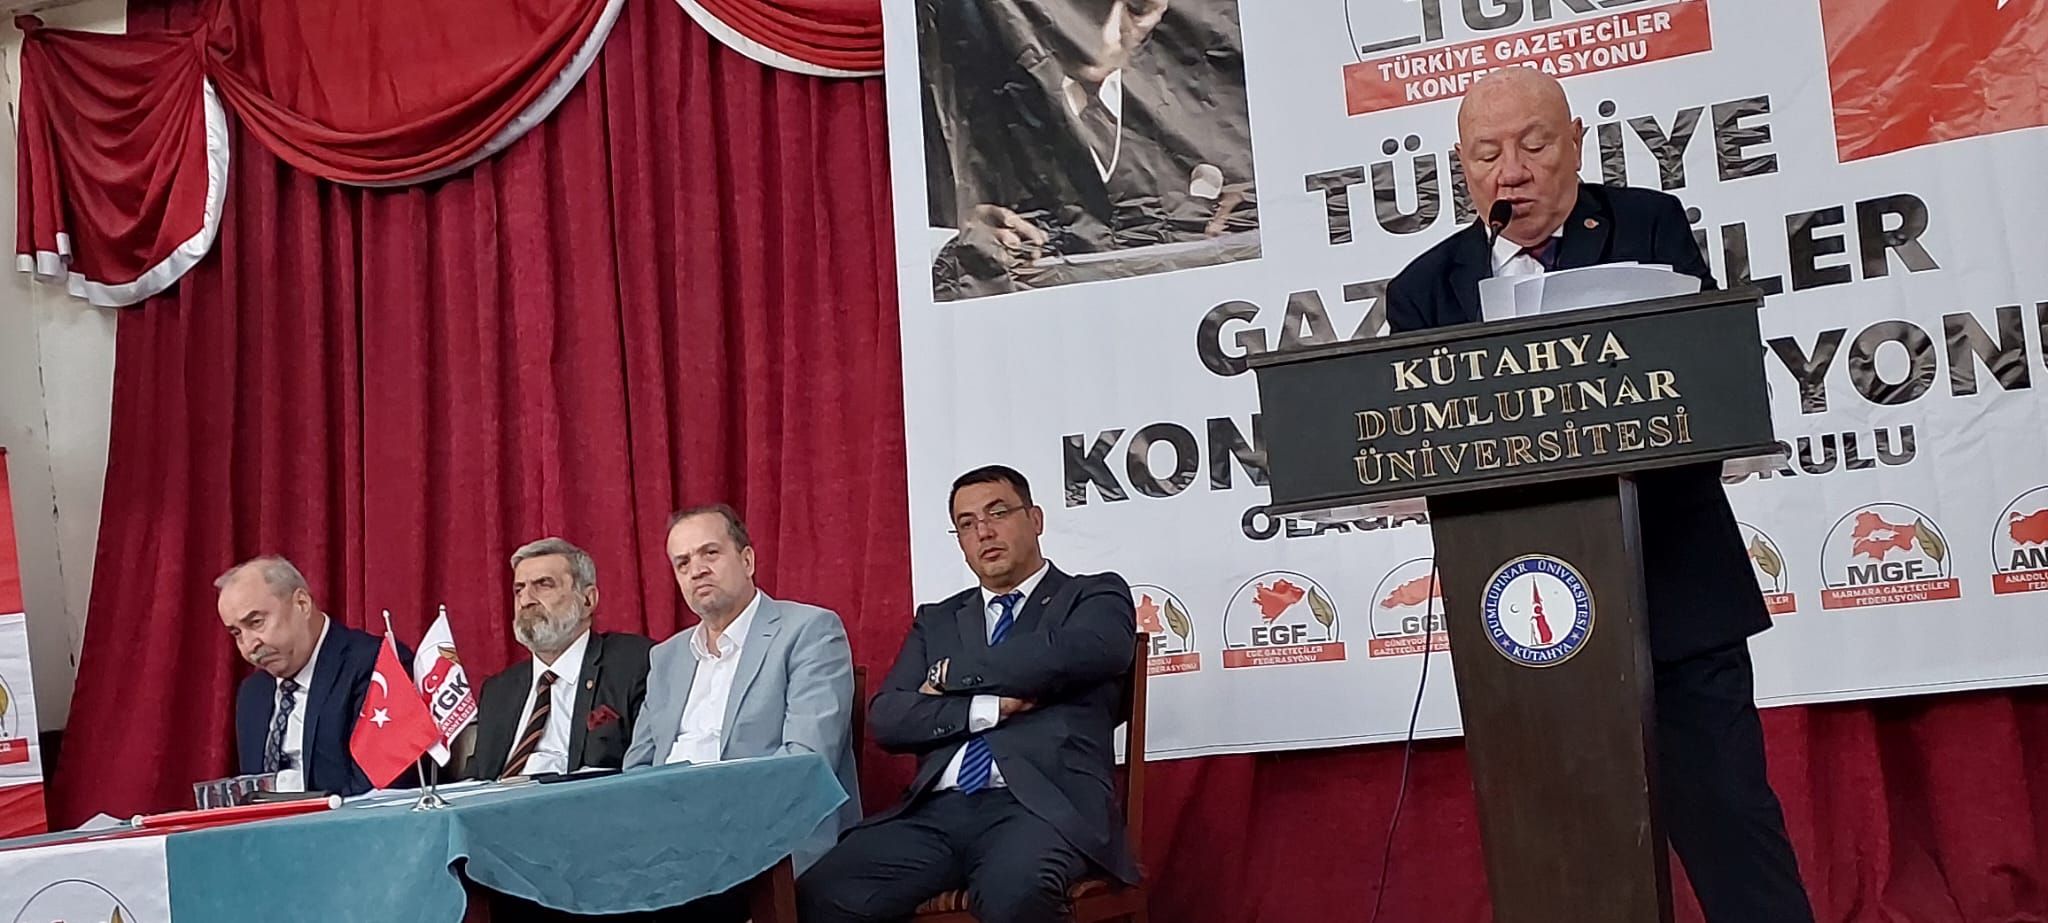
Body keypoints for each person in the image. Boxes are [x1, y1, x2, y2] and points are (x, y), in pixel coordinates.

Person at [1383, 67, 1816, 923]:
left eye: (1535, 145)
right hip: (1528, 619)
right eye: (1487, 154)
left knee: (1732, 831)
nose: (1512, 171)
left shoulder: (1648, 227)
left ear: (1576, 142)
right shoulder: (1424, 290)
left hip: (1676, 591)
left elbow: (1702, 383)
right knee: (1567, 848)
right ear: (1461, 167)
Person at [798, 465, 1139, 923]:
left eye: (998, 513)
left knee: (1014, 893)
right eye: (966, 523)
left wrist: (951, 674)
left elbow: (1086, 651)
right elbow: (890, 718)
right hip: (936, 813)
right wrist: (987, 708)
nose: (984, 532)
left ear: (1035, 519)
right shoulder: (937, 620)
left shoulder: (1091, 596)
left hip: (1042, 808)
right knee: (821, 892)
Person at [919, 0, 1259, 298]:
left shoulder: (1221, 96)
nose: (1109, 34)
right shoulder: (942, 95)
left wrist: (1260, 203)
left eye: (1137, 9)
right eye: (1087, 4)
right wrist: (952, 243)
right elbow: (903, 254)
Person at [623, 504, 860, 875]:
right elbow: (637, 767)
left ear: (747, 560)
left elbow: (804, 764)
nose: (697, 570)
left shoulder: (809, 631)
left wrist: (701, 820)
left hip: (767, 837)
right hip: (668, 842)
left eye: (710, 553)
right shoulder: (666, 657)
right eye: (683, 563)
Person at [468, 537, 653, 781]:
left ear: (587, 600)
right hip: (498, 802)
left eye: (543, 585)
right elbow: (477, 778)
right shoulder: (498, 690)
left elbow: (645, 768)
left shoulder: (634, 663)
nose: (526, 600)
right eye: (519, 590)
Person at [221, 555, 403, 797]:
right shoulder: (254, 693)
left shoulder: (375, 665)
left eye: (256, 622)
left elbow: (376, 793)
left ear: (302, 604)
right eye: (236, 633)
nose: (249, 645)